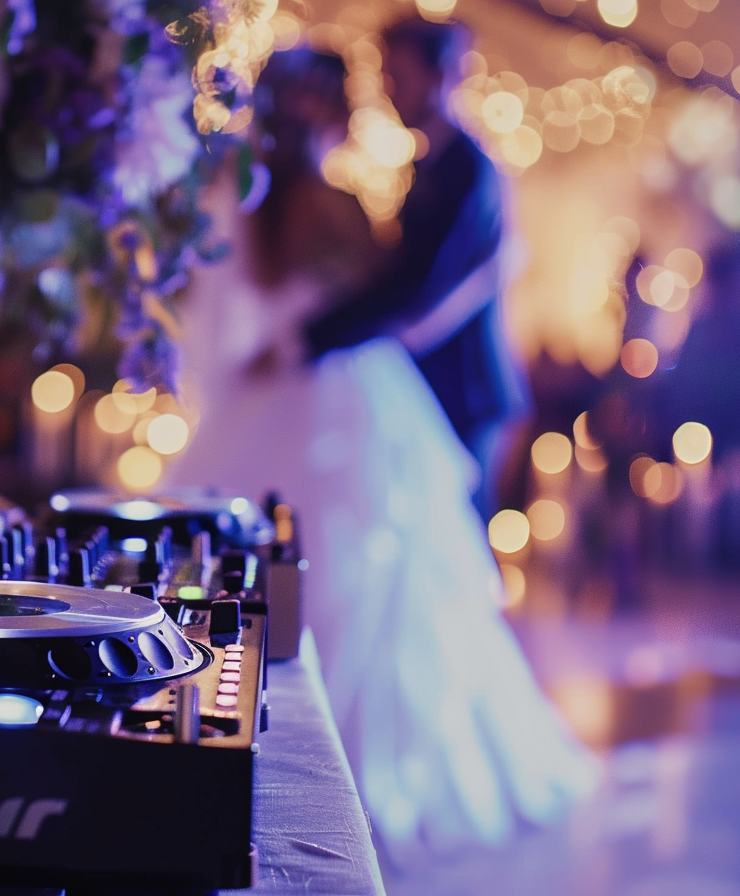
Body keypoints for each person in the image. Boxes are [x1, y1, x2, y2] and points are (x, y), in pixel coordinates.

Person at [166, 44, 597, 887]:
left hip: (323, 378)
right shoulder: (325, 199)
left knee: (328, 564)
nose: (370, 102)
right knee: (377, 562)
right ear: (324, 111)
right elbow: (393, 286)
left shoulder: (268, 194)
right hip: (343, 383)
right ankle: (349, 757)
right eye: (354, 93)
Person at [301, 17, 530, 517]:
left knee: (455, 545)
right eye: (384, 77)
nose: (387, 92)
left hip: (463, 386)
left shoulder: (465, 172)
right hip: (435, 381)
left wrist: (315, 339)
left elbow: (417, 288)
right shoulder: (431, 164)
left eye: (398, 76)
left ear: (442, 77)